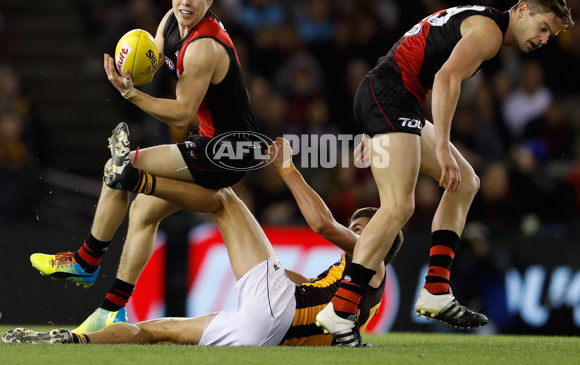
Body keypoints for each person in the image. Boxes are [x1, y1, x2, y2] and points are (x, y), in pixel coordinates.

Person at [314, 0, 574, 342]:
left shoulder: (483, 23)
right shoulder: (489, 33)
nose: (544, 39)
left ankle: (436, 288)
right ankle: (341, 308)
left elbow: (411, 57)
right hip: (390, 98)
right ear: (523, 10)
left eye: (552, 35)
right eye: (544, 27)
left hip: (390, 98)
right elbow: (444, 78)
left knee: (466, 182)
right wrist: (442, 147)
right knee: (398, 206)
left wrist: (374, 124)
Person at [29, 0, 261, 332]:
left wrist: (129, 93)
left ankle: (86, 261)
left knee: (122, 166)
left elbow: (184, 114)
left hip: (225, 152)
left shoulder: (204, 47)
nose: (186, 1)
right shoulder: (171, 22)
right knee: (142, 212)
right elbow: (152, 56)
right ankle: (111, 313)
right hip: (213, 141)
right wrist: (130, 63)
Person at [4, 138, 402, 347]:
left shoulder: (375, 262)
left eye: (365, 228)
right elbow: (311, 289)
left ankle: (138, 180)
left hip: (274, 312)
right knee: (157, 330)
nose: (358, 234)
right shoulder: (359, 289)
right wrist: (273, 270)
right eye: (357, 226)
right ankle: (76, 339)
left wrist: (287, 168)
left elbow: (322, 223)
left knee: (225, 200)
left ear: (384, 239)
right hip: (261, 335)